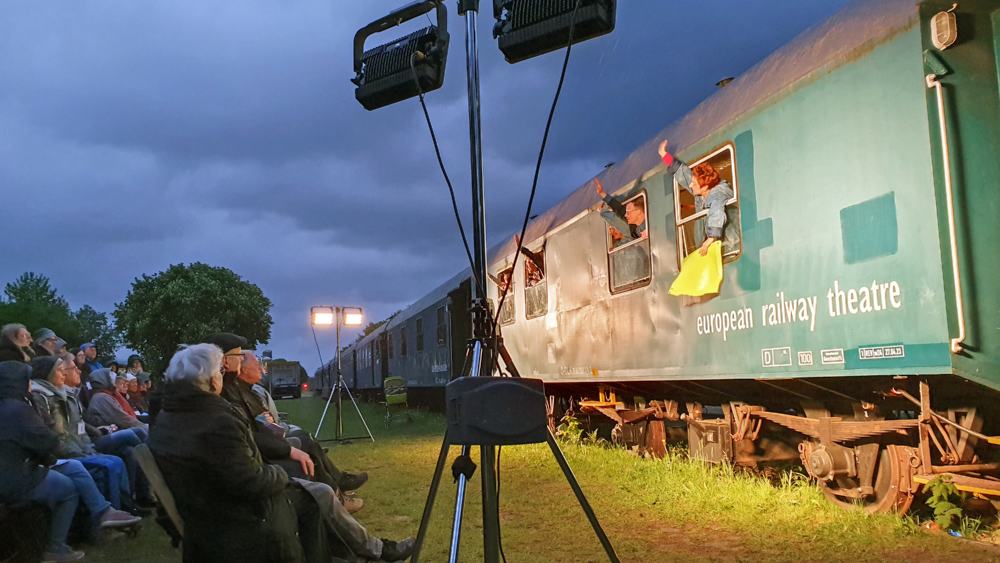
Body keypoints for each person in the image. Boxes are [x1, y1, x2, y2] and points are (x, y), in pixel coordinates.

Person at [150, 344, 414, 562]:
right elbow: (251, 482)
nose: (221, 376)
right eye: (218, 371)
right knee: (314, 494)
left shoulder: (168, 416)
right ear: (207, 379)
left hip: (208, 510)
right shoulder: (215, 419)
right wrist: (280, 473)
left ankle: (365, 552)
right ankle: (374, 552)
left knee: (315, 491)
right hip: (239, 519)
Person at [0, 361, 140, 563]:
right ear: (16, 383)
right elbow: (47, 441)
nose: (30, 384)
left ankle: (104, 513)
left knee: (77, 468)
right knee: (67, 488)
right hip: (13, 479)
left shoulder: (12, 406)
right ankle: (57, 546)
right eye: (26, 380)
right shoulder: (19, 408)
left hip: (19, 467)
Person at [207, 334, 368, 500]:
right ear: (225, 361)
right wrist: (286, 447)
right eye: (239, 357)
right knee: (303, 444)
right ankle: (335, 494)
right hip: (260, 452)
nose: (242, 361)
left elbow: (252, 426)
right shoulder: (228, 394)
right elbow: (249, 433)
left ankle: (336, 490)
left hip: (263, 446)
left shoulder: (237, 390)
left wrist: (267, 423)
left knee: (304, 441)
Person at [28, 356, 134, 512]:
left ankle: (125, 508)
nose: (63, 373)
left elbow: (79, 427)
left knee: (116, 461)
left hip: (79, 449)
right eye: (59, 369)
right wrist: (78, 453)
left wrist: (88, 449)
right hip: (63, 454)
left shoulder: (68, 396)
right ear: (47, 373)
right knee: (109, 465)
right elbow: (52, 435)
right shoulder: (41, 397)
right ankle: (112, 514)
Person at [62, 354, 150, 508]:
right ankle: (153, 468)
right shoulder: (102, 398)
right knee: (138, 435)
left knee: (130, 452)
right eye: (111, 377)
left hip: (102, 434)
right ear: (103, 380)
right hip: (96, 439)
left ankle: (130, 502)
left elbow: (84, 421)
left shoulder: (106, 396)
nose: (115, 380)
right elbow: (124, 419)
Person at [658, 139, 736, 256]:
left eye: (694, 183)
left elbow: (717, 210)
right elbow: (684, 174)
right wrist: (664, 155)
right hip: (716, 249)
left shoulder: (718, 193)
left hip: (730, 247)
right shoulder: (702, 191)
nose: (690, 185)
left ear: (705, 186)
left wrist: (711, 238)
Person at [84, 368, 148, 433]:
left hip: (115, 429)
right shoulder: (101, 397)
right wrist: (145, 428)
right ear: (102, 379)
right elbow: (122, 418)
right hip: (107, 433)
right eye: (109, 375)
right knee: (134, 434)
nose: (112, 378)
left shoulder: (109, 394)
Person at [595, 177, 647, 247]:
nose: (625, 215)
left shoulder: (648, 222)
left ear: (638, 212)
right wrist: (602, 193)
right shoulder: (634, 229)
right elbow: (619, 208)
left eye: (628, 212)